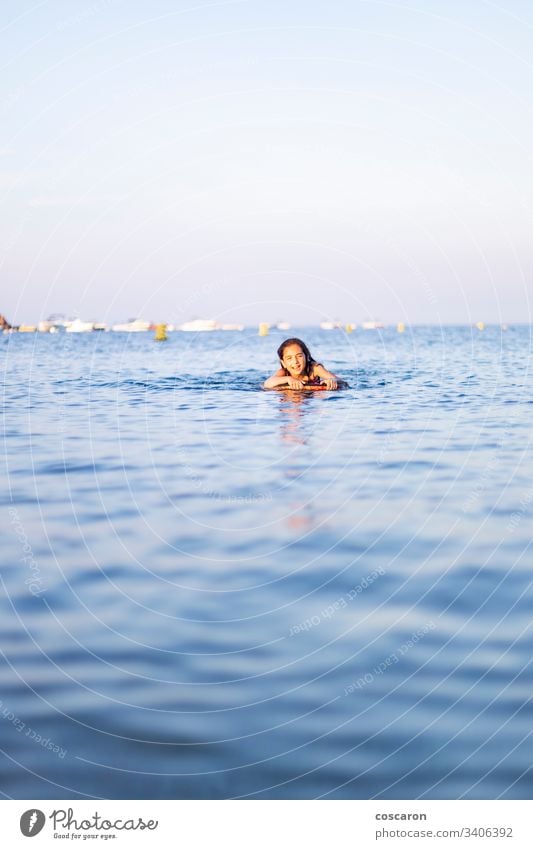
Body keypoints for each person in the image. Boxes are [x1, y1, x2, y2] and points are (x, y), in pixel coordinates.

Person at [263, 338, 339, 390]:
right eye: (289, 358)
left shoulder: (314, 369)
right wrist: (288, 379)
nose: (295, 361)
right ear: (284, 363)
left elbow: (339, 380)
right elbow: (267, 383)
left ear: (306, 356)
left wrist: (330, 381)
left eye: (299, 356)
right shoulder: (284, 372)